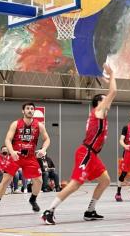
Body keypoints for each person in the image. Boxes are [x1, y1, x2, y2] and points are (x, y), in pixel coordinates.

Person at [42, 64, 117, 225]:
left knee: (105, 180)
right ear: (98, 103)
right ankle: (49, 211)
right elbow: (114, 92)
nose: (108, 101)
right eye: (105, 100)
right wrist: (112, 75)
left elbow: (111, 95)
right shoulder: (98, 112)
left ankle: (90, 211)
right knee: (75, 184)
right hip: (86, 153)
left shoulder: (100, 114)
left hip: (93, 155)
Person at [0, 102, 51, 217]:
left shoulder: (39, 125)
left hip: (31, 157)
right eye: (27, 108)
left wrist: (43, 149)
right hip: (16, 156)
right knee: (5, 180)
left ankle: (33, 199)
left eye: (32, 109)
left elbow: (47, 139)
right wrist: (12, 152)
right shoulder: (16, 124)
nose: (30, 110)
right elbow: (7, 139)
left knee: (39, 181)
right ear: (23, 111)